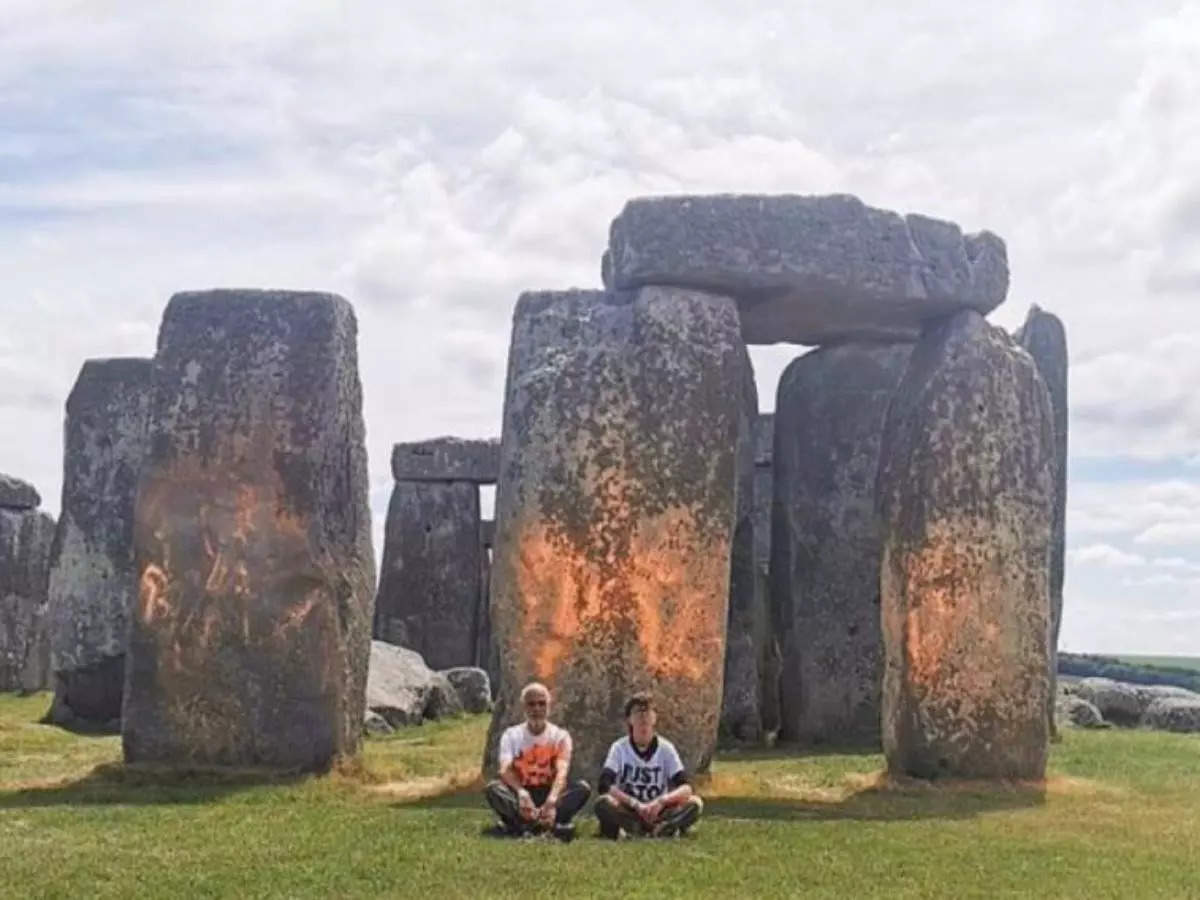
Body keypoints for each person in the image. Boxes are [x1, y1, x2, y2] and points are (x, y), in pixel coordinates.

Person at [484, 682, 591, 840]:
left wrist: (552, 800)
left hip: (548, 791)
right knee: (493, 789)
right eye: (531, 704)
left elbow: (562, 772)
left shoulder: (560, 736)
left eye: (542, 704)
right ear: (524, 707)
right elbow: (505, 769)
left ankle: (523, 825)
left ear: (549, 706)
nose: (537, 709)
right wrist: (521, 792)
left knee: (582, 788)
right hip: (521, 791)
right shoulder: (511, 735)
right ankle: (546, 825)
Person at [594, 691, 704, 839]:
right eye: (638, 712)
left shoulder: (666, 748)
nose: (643, 716)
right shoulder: (619, 748)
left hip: (659, 810)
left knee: (695, 803)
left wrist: (661, 801)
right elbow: (604, 785)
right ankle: (637, 828)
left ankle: (664, 826)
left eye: (648, 711)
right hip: (631, 809)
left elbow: (686, 787)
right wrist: (636, 805)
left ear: (655, 718)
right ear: (629, 719)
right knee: (603, 803)